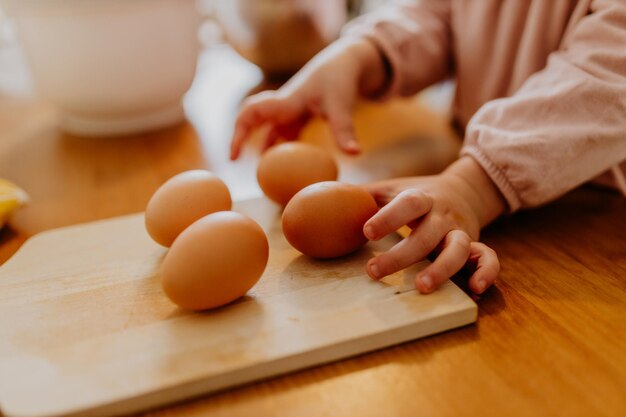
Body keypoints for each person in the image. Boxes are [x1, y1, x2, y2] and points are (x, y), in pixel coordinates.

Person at [230, 0, 626, 295]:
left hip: (591, 221)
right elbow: (445, 14)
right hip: (486, 190)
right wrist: (365, 54)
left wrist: (474, 186)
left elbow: (607, 76)